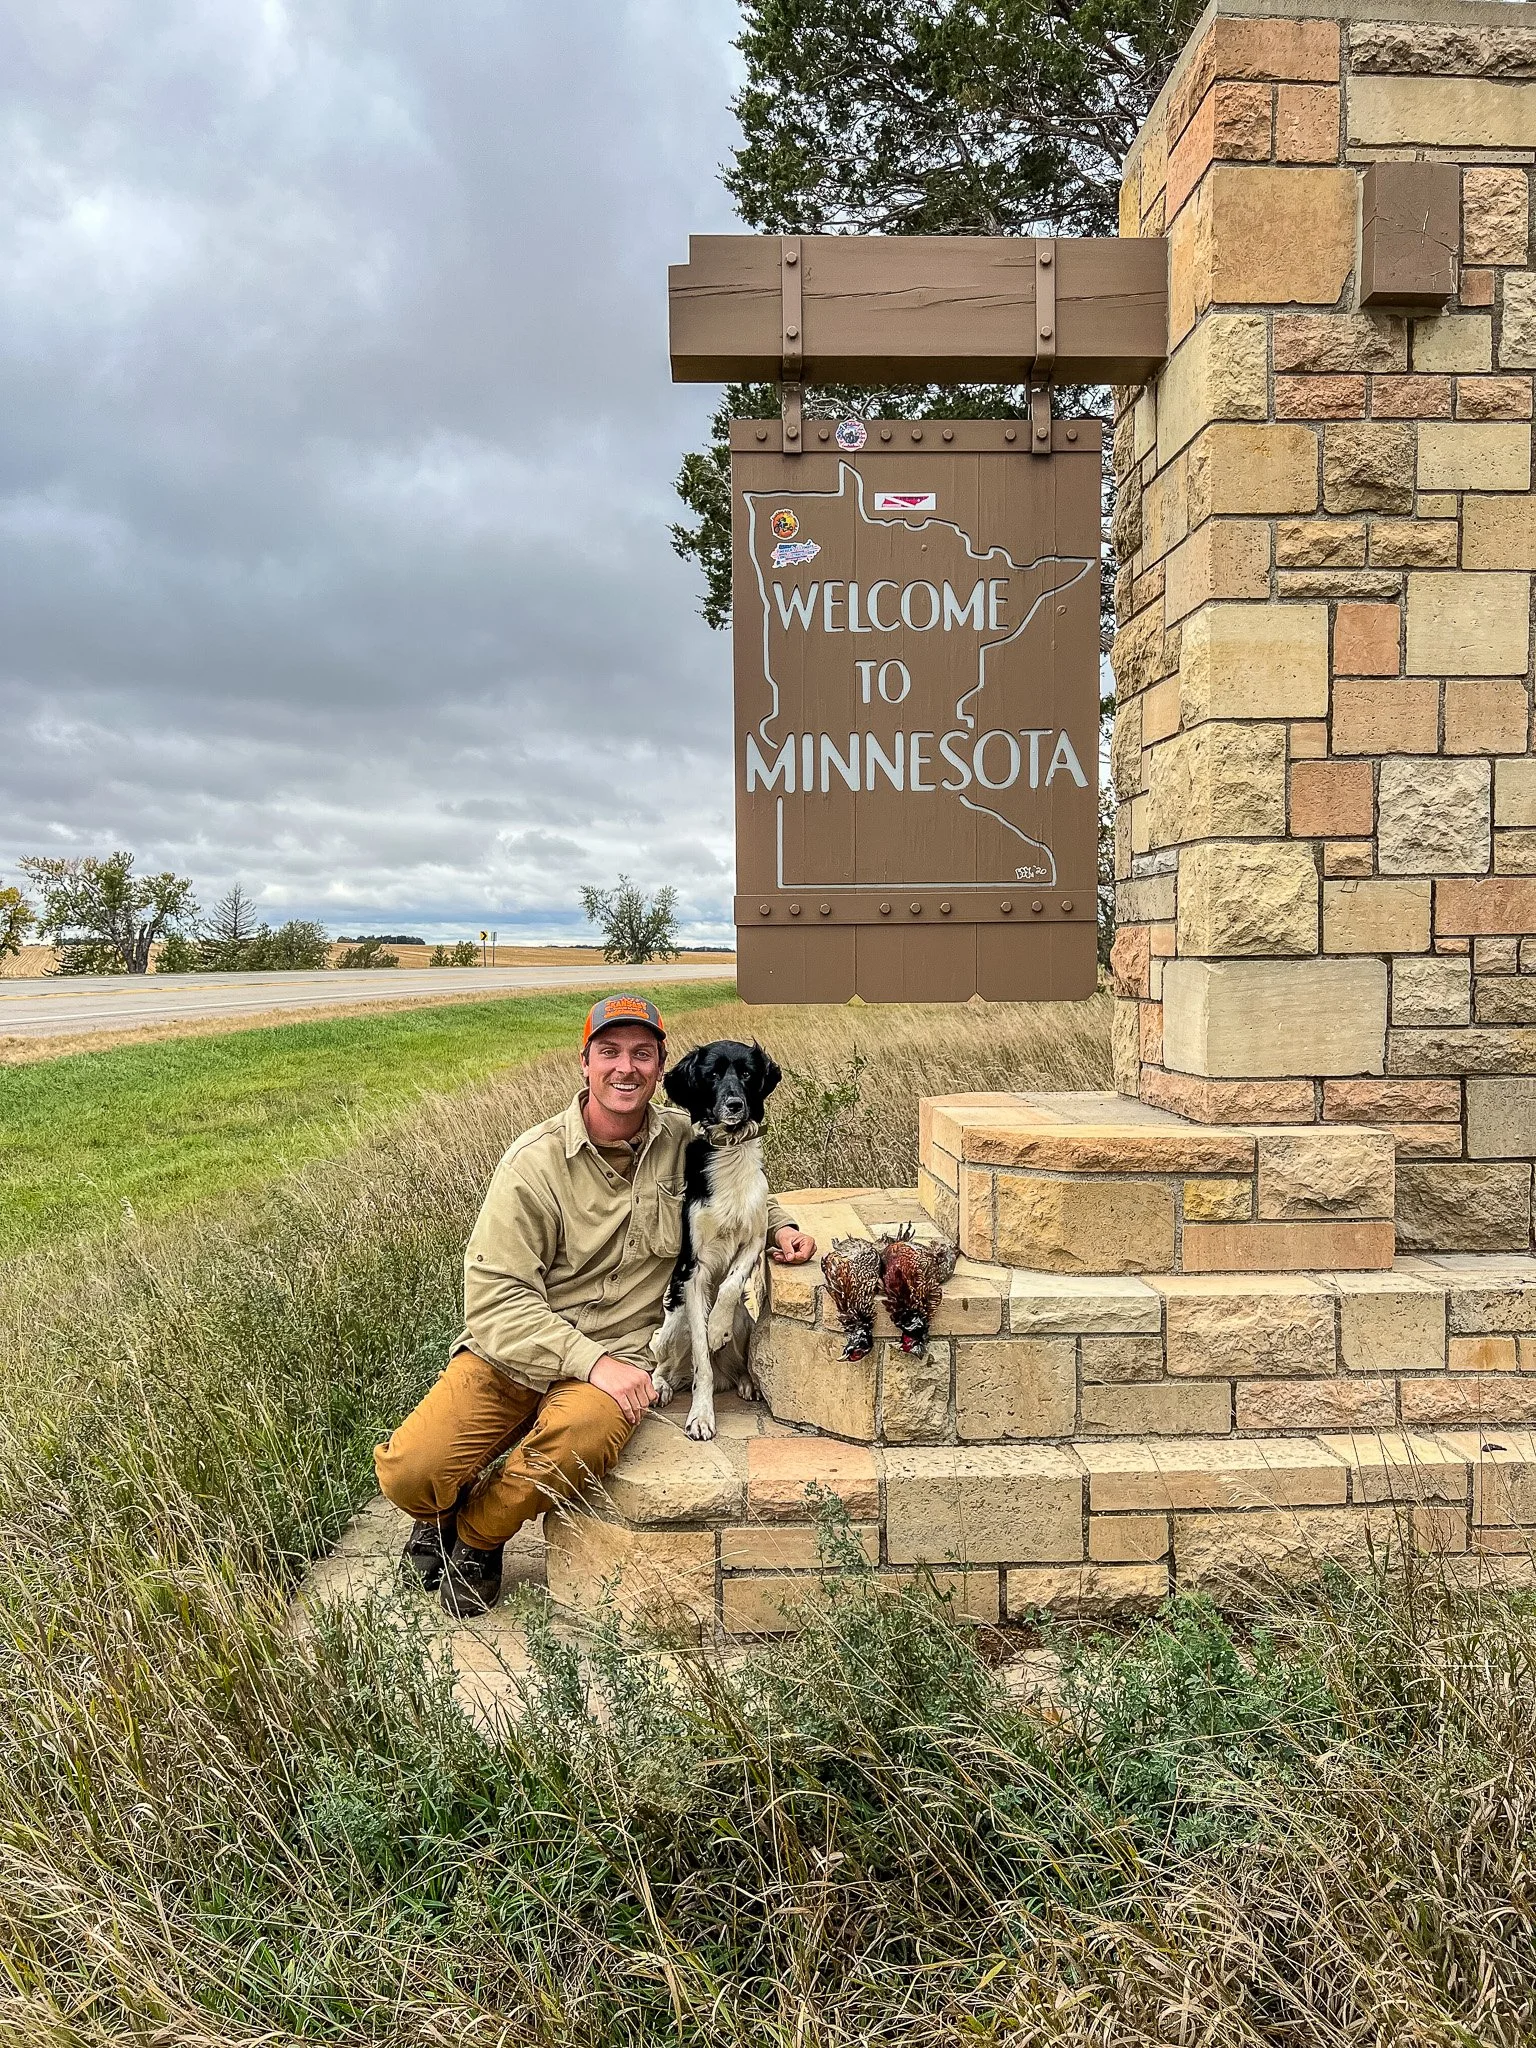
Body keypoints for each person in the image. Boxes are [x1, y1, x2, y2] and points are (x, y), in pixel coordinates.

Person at [374, 992, 817, 1616]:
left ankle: (476, 1535)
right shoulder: (534, 1164)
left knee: (583, 1435)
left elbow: (740, 1195)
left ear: (661, 1068)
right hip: (519, 1352)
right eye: (609, 1052)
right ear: (584, 1062)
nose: (625, 1068)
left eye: (642, 1053)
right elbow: (495, 1299)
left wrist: (782, 1228)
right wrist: (586, 1360)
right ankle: (437, 1506)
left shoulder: (686, 1139)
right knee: (409, 1470)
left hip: (620, 1355)